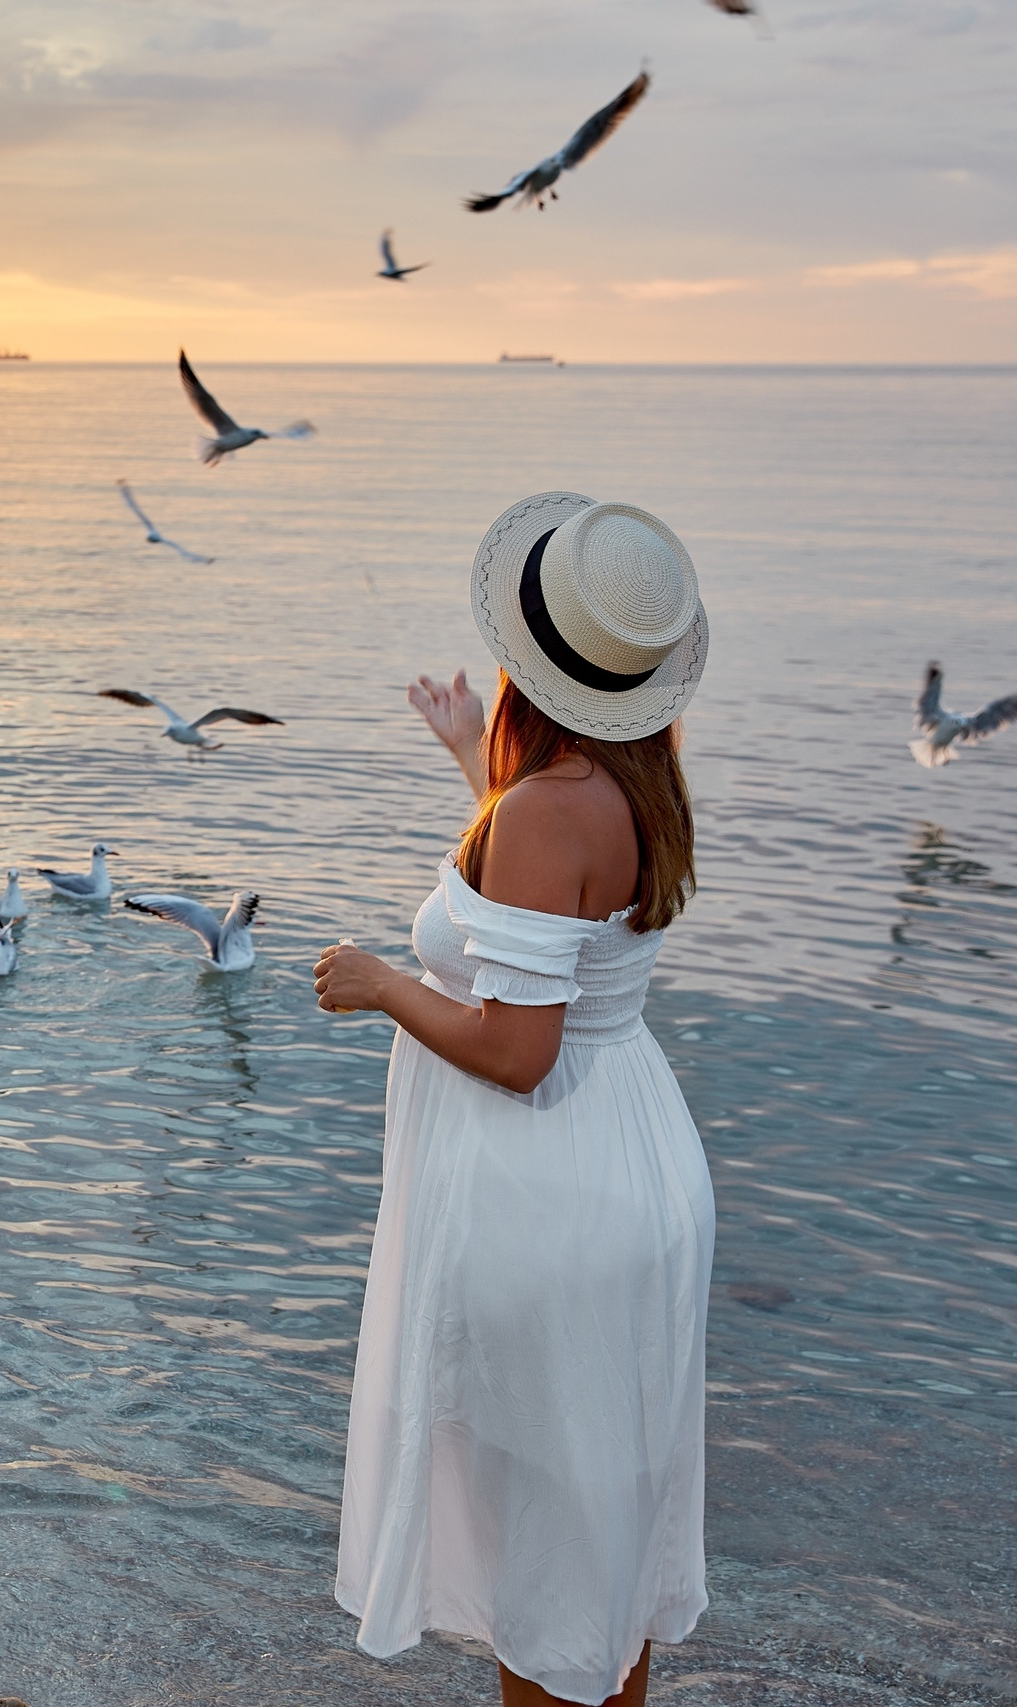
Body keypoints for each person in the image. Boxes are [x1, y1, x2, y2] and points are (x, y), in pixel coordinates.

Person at [313, 493, 716, 1707]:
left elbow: (516, 1050)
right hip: (630, 1165)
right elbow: (545, 913)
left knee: (544, 1549)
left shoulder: (545, 813)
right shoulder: (638, 779)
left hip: (551, 1192)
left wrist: (383, 983)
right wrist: (467, 761)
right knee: (604, 1534)